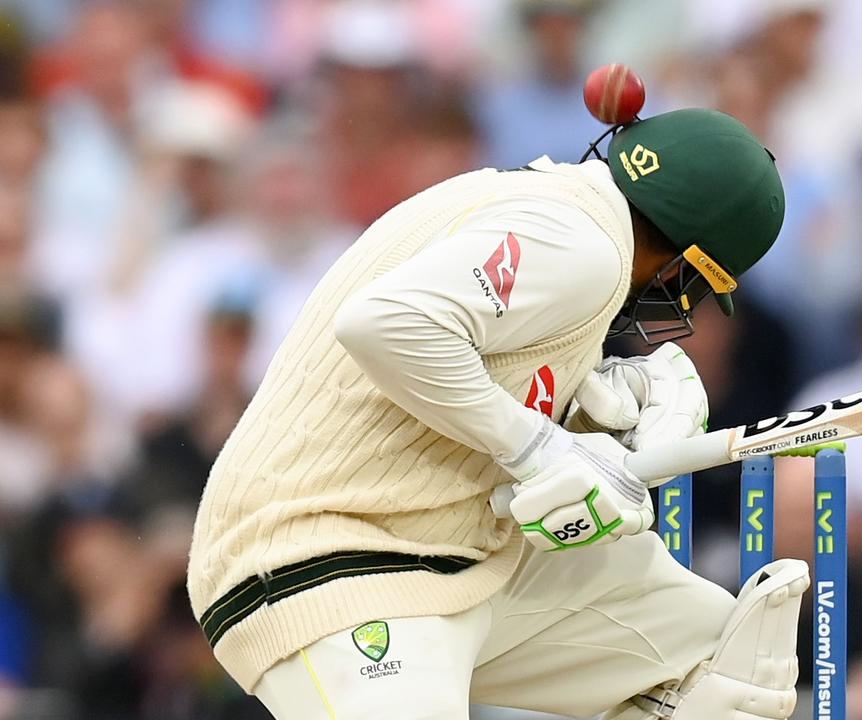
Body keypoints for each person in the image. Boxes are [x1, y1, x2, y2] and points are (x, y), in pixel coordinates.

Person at [186, 107, 809, 720]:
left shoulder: (557, 212)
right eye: (695, 286)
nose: (681, 303)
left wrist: (598, 415)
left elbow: (468, 382)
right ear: (685, 258)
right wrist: (539, 446)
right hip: (323, 558)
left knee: (720, 665)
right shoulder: (585, 246)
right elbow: (386, 324)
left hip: (454, 553)